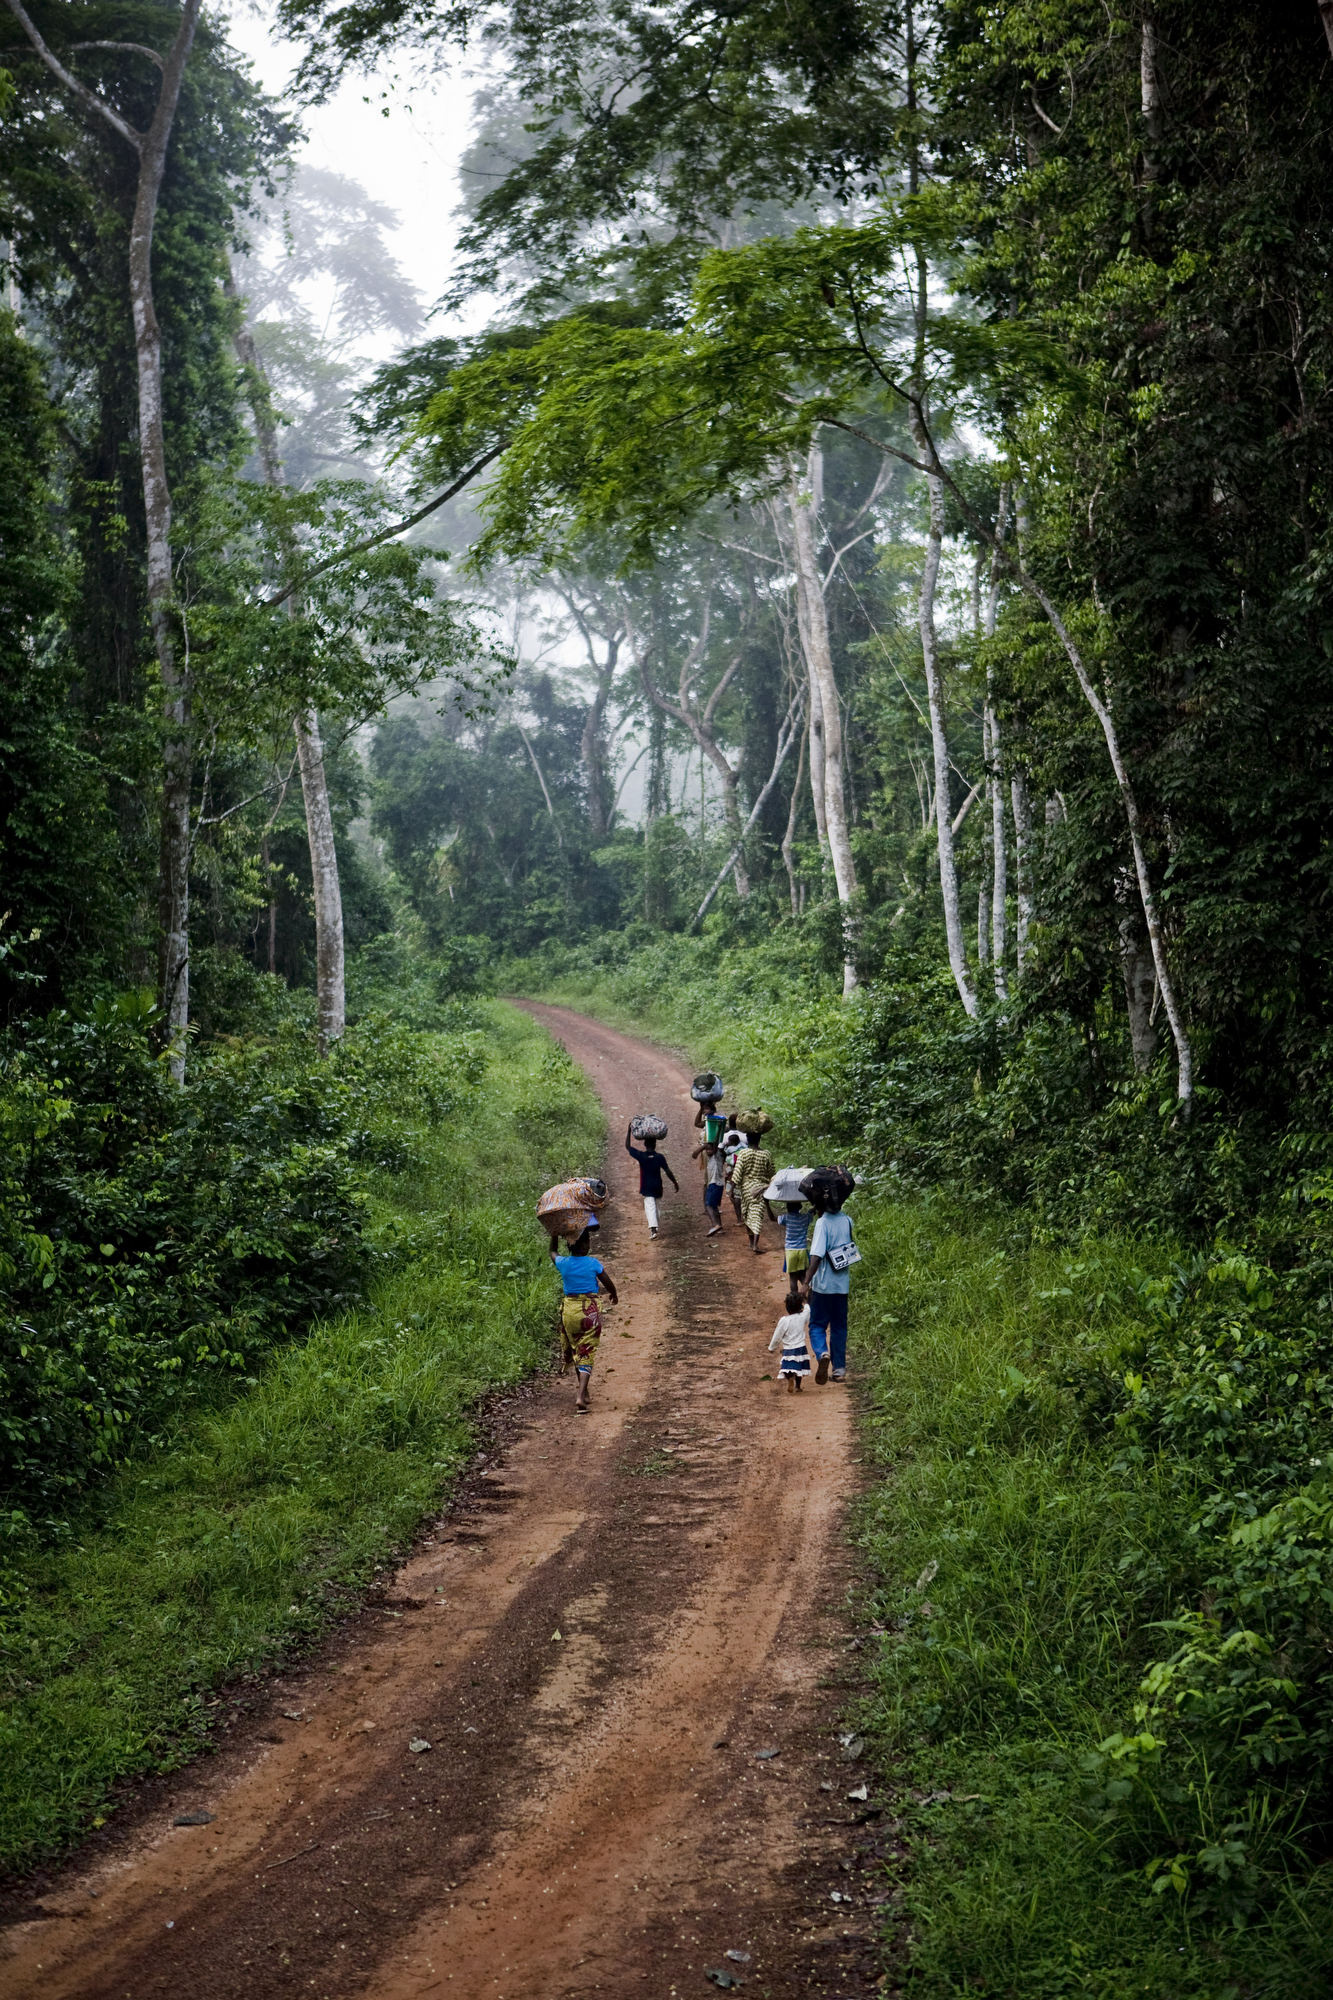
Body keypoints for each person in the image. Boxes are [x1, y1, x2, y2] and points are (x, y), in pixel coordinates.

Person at [550, 1224, 618, 1412]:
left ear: (569, 1246)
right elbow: (607, 1281)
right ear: (586, 1245)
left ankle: (585, 1391)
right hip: (589, 1312)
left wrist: (554, 1234)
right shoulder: (592, 1263)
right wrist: (614, 1294)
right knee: (587, 1351)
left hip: (569, 1312)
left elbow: (552, 1252)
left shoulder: (563, 1263)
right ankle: (580, 1395)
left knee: (576, 1349)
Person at [804, 1187, 857, 1384]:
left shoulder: (823, 1223)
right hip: (842, 1285)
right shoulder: (847, 1221)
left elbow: (817, 1255)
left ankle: (822, 1353)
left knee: (817, 1325)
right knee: (839, 1326)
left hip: (823, 1285)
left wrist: (806, 1282)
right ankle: (839, 1370)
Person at [625, 1123, 679, 1239]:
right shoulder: (660, 1157)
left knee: (650, 1207)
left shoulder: (641, 1156)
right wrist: (675, 1182)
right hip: (658, 1186)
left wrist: (629, 1131)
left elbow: (628, 1147)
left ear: (645, 1144)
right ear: (655, 1144)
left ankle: (653, 1229)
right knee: (657, 1207)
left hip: (647, 1187)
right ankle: (655, 1227)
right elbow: (668, 1171)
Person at [731, 1128, 776, 1254]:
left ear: (747, 1139)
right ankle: (755, 1245)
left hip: (745, 1189)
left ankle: (752, 1243)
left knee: (747, 1214)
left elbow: (737, 1172)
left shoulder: (743, 1153)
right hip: (760, 1189)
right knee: (757, 1216)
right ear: (759, 1139)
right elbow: (772, 1172)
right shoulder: (766, 1154)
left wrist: (731, 1189)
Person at [769, 1287, 812, 1393]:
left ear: (787, 1307)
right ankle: (798, 1386)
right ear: (800, 1306)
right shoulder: (802, 1317)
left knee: (788, 1368)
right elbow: (808, 1310)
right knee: (799, 1369)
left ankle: (790, 1379)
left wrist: (772, 1347)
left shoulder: (784, 1320)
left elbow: (777, 1335)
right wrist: (805, 1300)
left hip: (789, 1349)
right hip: (801, 1348)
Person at [690, 1138, 727, 1235]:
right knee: (714, 1207)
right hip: (717, 1184)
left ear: (715, 1149)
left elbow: (715, 1145)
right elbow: (694, 1155)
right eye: (707, 1149)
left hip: (715, 1183)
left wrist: (705, 1146)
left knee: (708, 1205)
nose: (708, 1151)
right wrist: (704, 1146)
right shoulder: (714, 1156)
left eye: (709, 1149)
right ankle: (720, 1227)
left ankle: (715, 1225)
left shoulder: (717, 1155)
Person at [781, 1199, 811, 1280]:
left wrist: (767, 1204)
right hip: (802, 1250)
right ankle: (807, 1287)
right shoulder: (805, 1217)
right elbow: (812, 1214)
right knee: (803, 1276)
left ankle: (796, 1289)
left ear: (787, 1207)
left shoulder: (786, 1217)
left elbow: (773, 1218)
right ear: (800, 1206)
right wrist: (813, 1208)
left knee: (793, 1278)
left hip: (790, 1250)